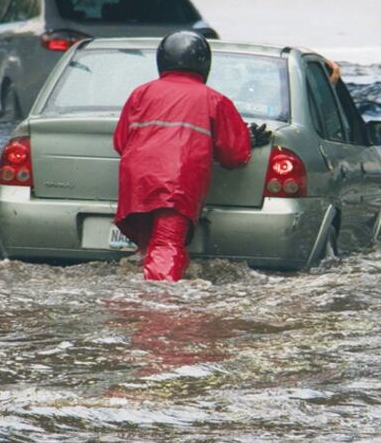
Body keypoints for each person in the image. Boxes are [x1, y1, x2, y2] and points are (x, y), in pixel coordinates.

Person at [112, 31, 272, 281]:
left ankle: (142, 298)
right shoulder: (214, 100)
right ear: (205, 64)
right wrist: (247, 139)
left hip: (136, 185)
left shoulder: (140, 94)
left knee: (147, 251)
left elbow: (120, 142)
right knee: (166, 247)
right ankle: (158, 309)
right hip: (176, 187)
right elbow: (234, 156)